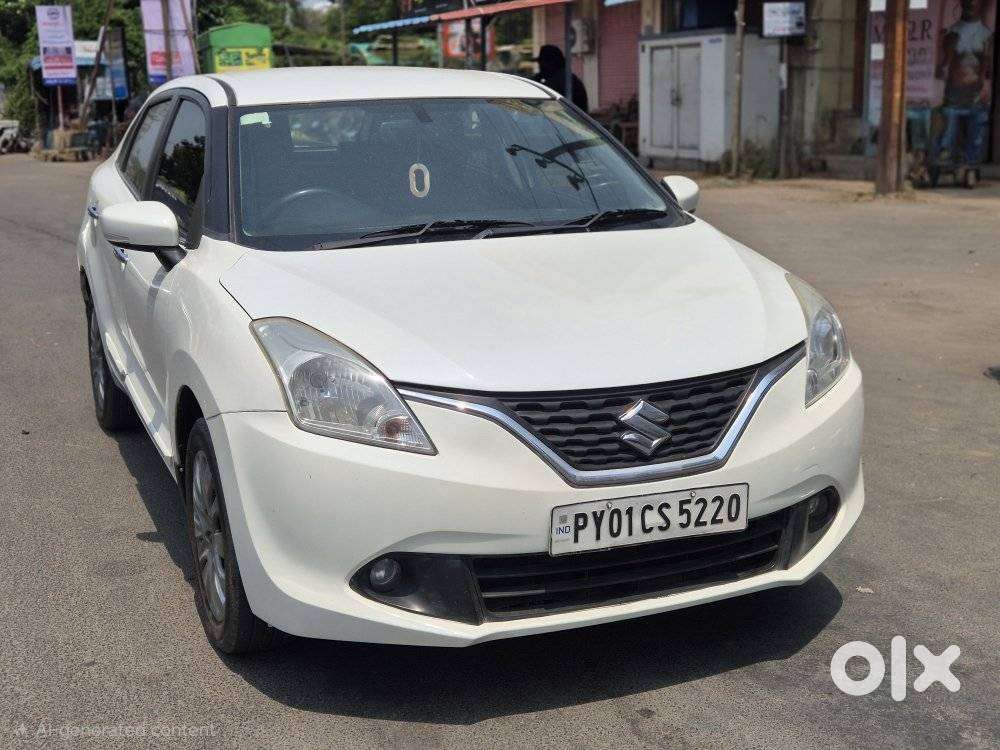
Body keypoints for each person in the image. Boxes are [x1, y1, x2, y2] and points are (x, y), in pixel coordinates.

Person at [931, 0, 994, 166]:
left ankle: (969, 168)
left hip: (977, 98)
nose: (971, 4)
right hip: (953, 97)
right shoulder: (951, 33)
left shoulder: (987, 35)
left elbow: (988, 71)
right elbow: (940, 70)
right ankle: (945, 162)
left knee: (974, 144)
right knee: (946, 141)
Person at [532, 44, 589, 112]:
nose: (540, 65)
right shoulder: (568, 78)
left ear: (551, 63)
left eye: (542, 62)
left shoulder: (560, 81)